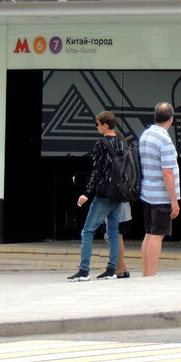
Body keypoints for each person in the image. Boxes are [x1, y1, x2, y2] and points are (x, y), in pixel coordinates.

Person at [67, 112, 128, 280]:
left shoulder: (101, 144)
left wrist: (87, 193)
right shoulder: (123, 143)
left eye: (98, 124)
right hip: (118, 193)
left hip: (104, 193)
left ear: (105, 125)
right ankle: (111, 270)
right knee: (114, 232)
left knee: (87, 231)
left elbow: (97, 171)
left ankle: (84, 270)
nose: (97, 127)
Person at [138, 102, 180, 276]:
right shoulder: (165, 140)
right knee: (157, 236)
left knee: (149, 234)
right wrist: (174, 200)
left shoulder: (145, 135)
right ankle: (152, 276)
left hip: (147, 192)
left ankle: (146, 274)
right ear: (170, 119)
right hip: (162, 196)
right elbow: (168, 172)